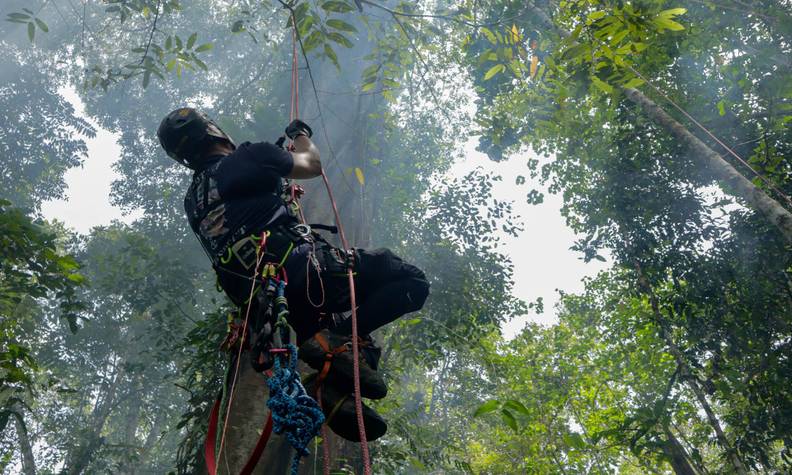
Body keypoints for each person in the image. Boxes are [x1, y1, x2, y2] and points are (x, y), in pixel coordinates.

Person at [157, 108, 429, 441]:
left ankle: (330, 388)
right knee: (410, 281)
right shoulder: (248, 157)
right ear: (214, 132)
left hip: (274, 314)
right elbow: (311, 165)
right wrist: (301, 135)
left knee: (359, 339)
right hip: (304, 275)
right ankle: (333, 345)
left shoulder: (193, 201)